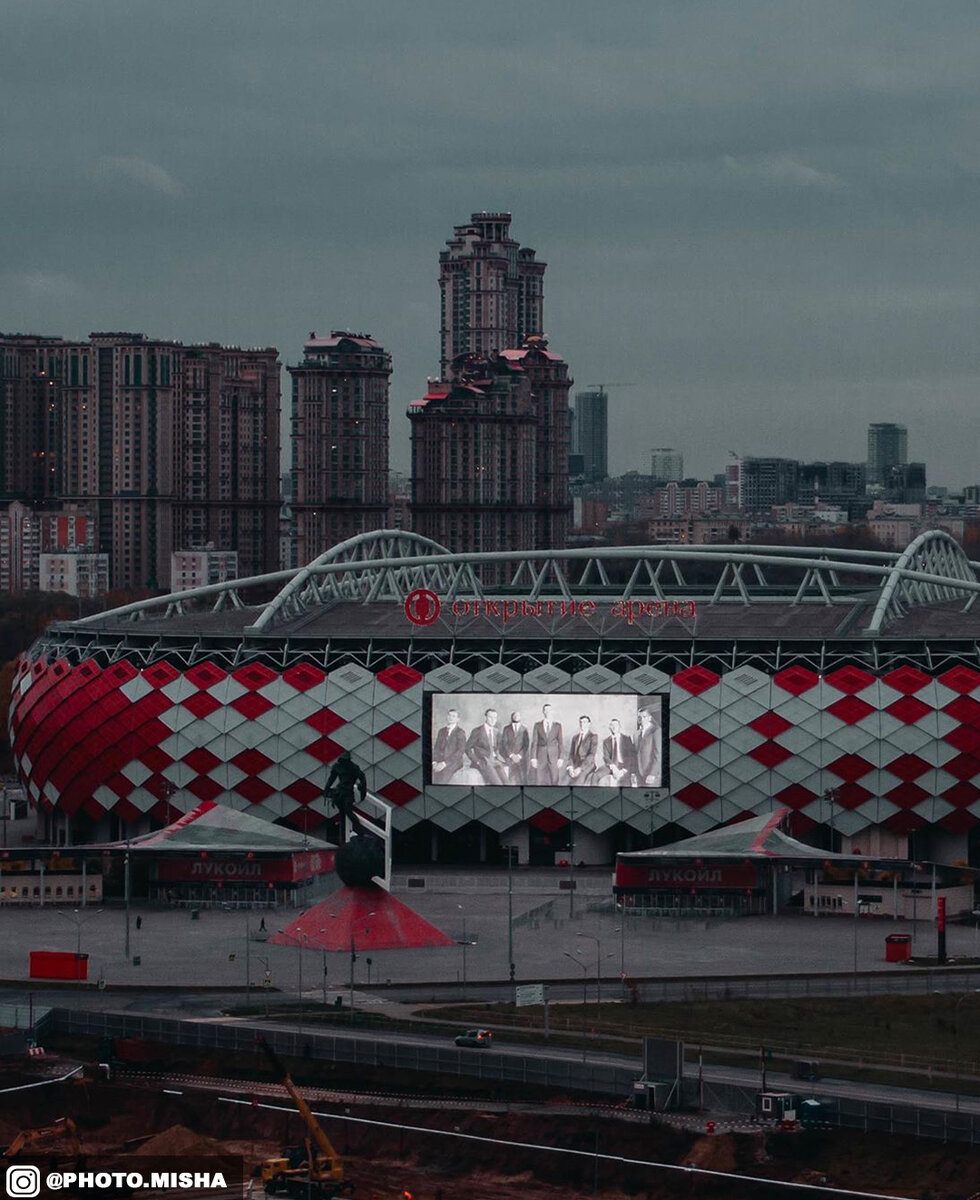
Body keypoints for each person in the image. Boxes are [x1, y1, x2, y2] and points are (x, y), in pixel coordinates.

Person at [325, 750, 367, 837]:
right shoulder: (337, 767)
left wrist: (361, 786)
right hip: (340, 792)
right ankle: (344, 836)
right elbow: (331, 779)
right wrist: (326, 789)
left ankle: (360, 832)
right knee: (342, 813)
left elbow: (362, 778)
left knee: (348, 811)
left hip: (348, 792)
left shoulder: (354, 767)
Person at [465, 708, 509, 785]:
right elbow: (467, 748)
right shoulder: (477, 731)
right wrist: (477, 761)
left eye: (495, 718)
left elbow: (500, 748)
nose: (493, 720)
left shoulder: (496, 732)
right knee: (497, 783)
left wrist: (506, 759)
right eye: (490, 717)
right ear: (485, 717)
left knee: (507, 783)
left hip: (495, 761)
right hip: (483, 761)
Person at [529, 702, 563, 785]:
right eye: (546, 710)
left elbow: (561, 743)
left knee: (555, 780)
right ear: (543, 712)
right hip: (540, 757)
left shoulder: (557, 725)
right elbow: (534, 742)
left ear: (552, 712)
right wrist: (533, 758)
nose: (548, 712)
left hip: (554, 757)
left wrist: (560, 758)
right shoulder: (537, 725)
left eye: (549, 710)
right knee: (539, 780)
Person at [432, 707, 467, 784]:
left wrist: (444, 763)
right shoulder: (441, 731)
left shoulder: (460, 732)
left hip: (454, 762)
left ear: (458, 719)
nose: (450, 717)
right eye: (449, 715)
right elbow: (436, 748)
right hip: (440, 760)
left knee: (442, 778)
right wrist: (434, 762)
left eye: (453, 716)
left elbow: (460, 751)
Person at [565, 715, 598, 785]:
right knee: (564, 781)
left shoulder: (593, 737)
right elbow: (571, 754)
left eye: (585, 722)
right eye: (581, 722)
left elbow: (591, 755)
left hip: (587, 766)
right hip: (575, 765)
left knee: (577, 783)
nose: (582, 724)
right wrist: (570, 767)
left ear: (589, 724)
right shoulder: (575, 737)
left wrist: (580, 768)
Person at [601, 717, 634, 786]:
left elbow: (630, 756)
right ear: (609, 727)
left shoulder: (626, 739)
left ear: (619, 727)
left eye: (616, 725)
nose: (614, 727)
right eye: (612, 725)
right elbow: (606, 757)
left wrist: (623, 771)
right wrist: (614, 768)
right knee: (598, 777)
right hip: (612, 765)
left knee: (625, 784)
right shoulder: (606, 741)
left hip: (624, 766)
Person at [634, 705, 661, 787]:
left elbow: (659, 755)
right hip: (639, 774)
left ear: (649, 718)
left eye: (644, 716)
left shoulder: (656, 731)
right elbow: (636, 754)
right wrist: (634, 772)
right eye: (639, 717)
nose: (641, 719)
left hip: (651, 776)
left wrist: (652, 773)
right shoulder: (637, 734)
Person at [500, 711, 530, 785]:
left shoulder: (524, 729)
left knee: (523, 779)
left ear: (520, 717)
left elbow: (526, 745)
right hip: (509, 758)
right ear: (512, 717)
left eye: (518, 715)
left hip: (522, 759)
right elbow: (504, 743)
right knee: (511, 779)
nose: (516, 717)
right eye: (514, 715)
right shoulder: (506, 729)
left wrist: (519, 756)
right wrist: (512, 755)